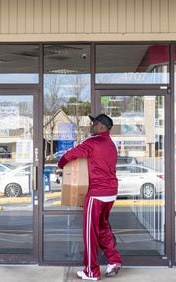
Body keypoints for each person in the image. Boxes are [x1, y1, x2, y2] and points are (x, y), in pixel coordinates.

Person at [57, 113, 122, 281]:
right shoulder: (111, 145)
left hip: (97, 193)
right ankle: (114, 260)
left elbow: (71, 154)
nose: (91, 125)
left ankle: (91, 272)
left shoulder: (93, 142)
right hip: (111, 193)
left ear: (101, 126)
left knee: (90, 233)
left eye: (93, 123)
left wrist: (60, 165)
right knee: (102, 228)